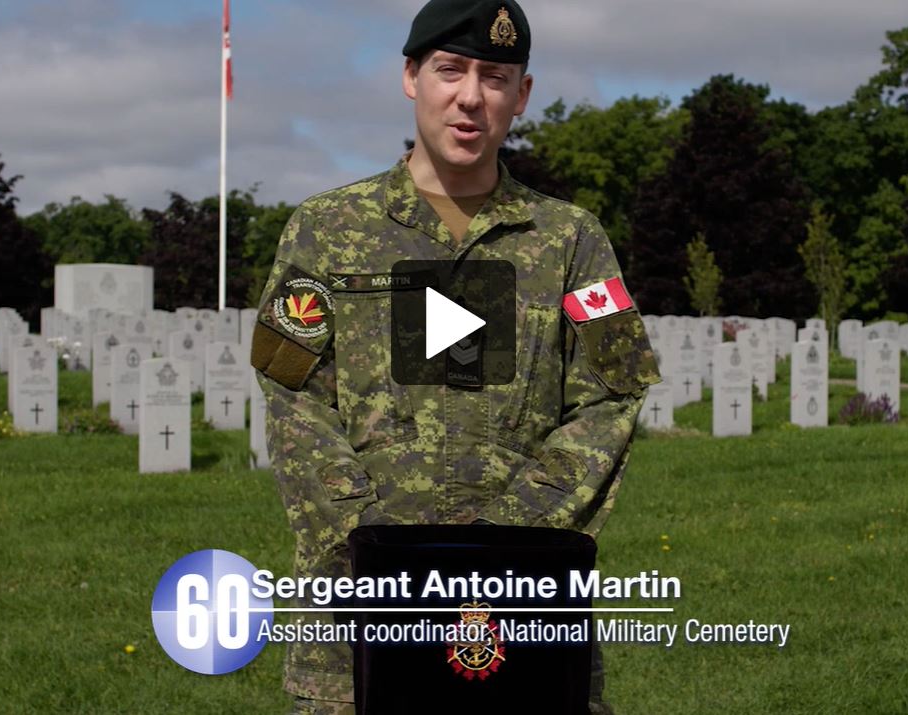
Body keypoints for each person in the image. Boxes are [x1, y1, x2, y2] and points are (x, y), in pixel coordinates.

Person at [251, 1, 659, 712]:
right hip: (357, 624)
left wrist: (507, 546)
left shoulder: (569, 240)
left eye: (495, 76)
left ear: (521, 94)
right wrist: (377, 551)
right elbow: (291, 395)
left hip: (525, 617)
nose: (471, 96)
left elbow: (611, 394)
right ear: (410, 77)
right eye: (449, 70)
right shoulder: (324, 230)